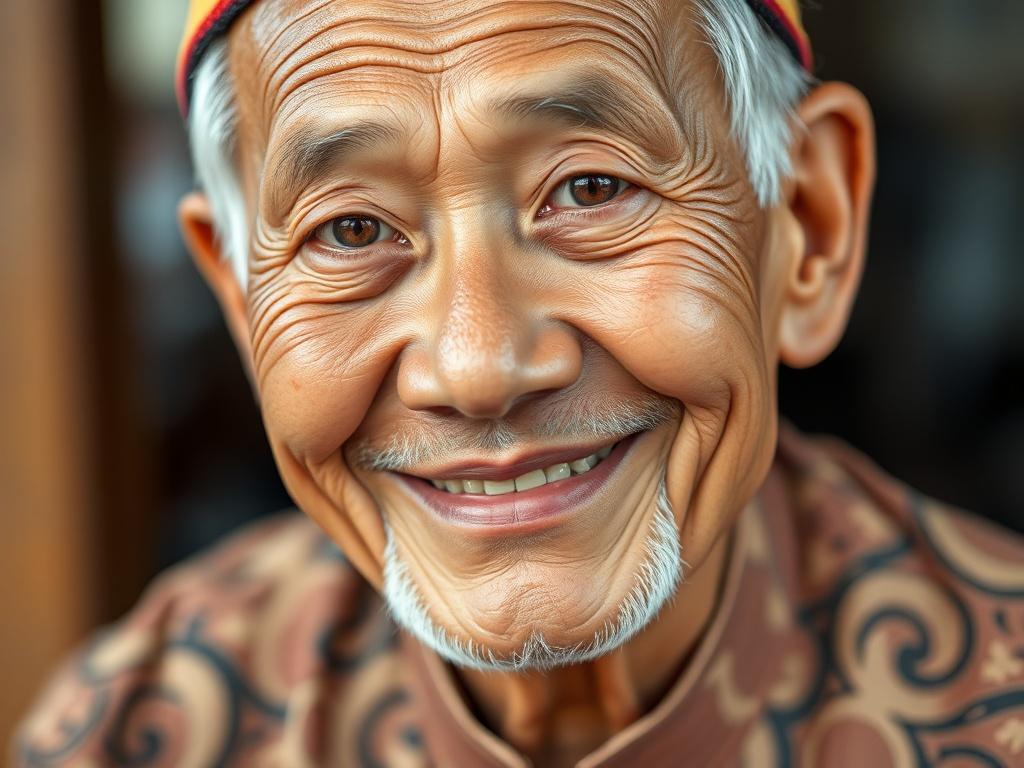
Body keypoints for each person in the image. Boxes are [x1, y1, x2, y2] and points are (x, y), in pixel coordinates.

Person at [13, 1, 1024, 765]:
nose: (479, 365)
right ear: (242, 306)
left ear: (808, 225)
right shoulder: (141, 731)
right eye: (351, 231)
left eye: (592, 188)